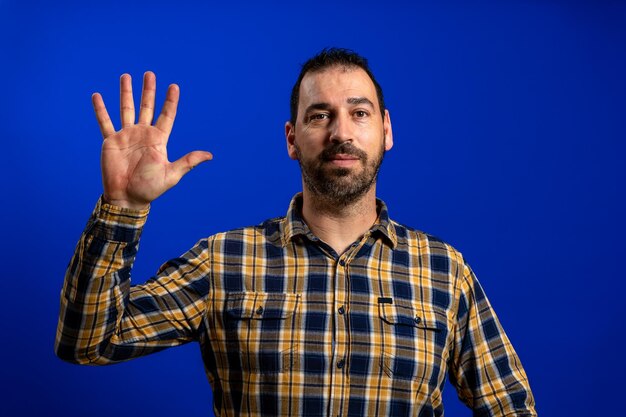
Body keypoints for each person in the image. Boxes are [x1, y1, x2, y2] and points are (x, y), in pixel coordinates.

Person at [55, 48, 536, 416]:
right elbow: (89, 341)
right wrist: (124, 206)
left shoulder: (443, 271)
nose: (341, 132)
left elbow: (510, 407)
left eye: (359, 113)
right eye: (320, 115)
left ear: (385, 131)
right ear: (292, 139)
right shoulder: (223, 261)